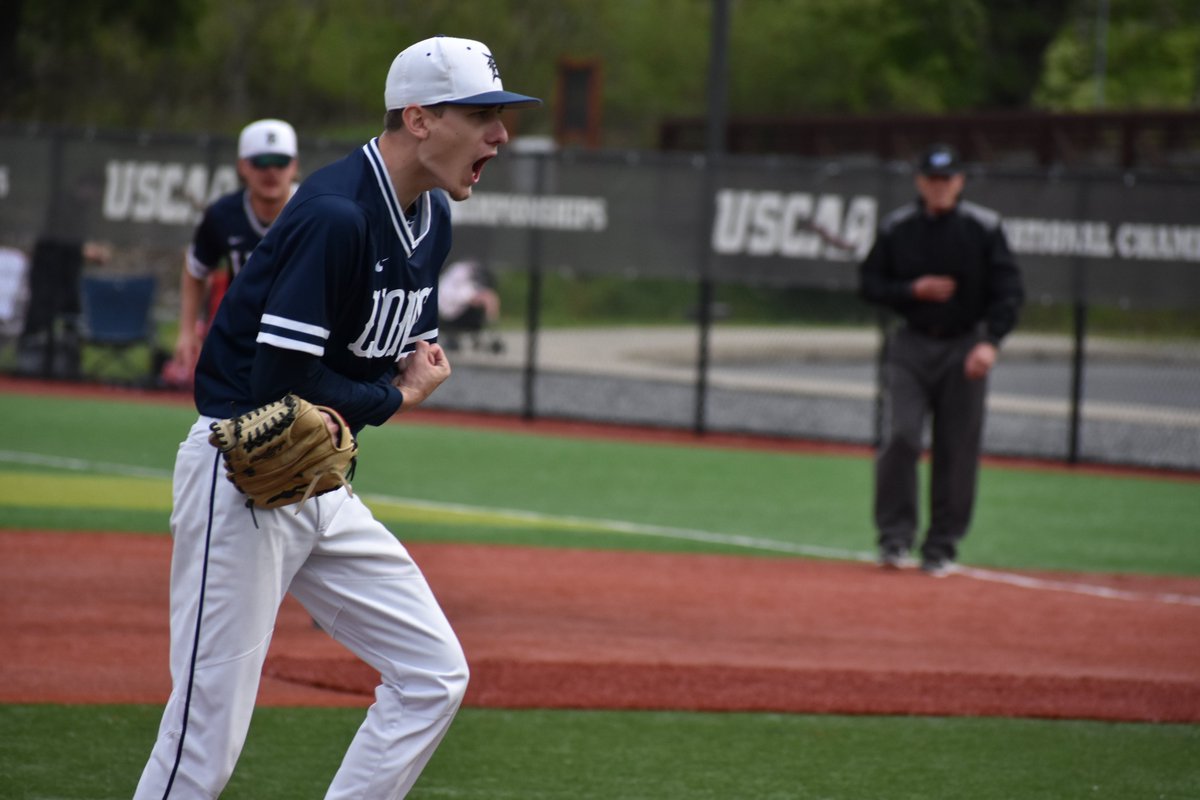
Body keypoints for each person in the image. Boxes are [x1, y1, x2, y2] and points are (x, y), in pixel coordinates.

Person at [134, 35, 540, 798]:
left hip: (319, 476)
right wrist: (398, 397)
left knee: (431, 675)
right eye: (482, 113)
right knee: (202, 745)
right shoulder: (333, 214)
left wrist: (401, 370)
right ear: (419, 119)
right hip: (243, 474)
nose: (500, 134)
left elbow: (379, 348)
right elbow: (276, 389)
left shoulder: (432, 220)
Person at [858, 143, 1024, 577]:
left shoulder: (983, 229)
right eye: (932, 179)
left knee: (957, 447)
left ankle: (941, 546)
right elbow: (870, 283)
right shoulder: (898, 227)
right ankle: (894, 538)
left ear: (960, 182)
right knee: (902, 436)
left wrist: (991, 342)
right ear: (919, 182)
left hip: (964, 346)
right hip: (912, 344)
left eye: (947, 179)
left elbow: (1008, 293)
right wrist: (912, 290)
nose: (939, 187)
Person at [163, 118, 300, 388]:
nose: (271, 171)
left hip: (300, 336)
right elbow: (196, 268)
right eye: (261, 162)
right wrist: (188, 330)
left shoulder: (316, 210)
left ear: (294, 166)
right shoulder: (223, 215)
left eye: (280, 162)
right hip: (242, 336)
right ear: (242, 166)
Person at [437, 258, 502, 351]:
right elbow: (453, 296)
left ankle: (492, 329)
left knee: (488, 297)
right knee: (487, 298)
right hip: (451, 314)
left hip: (459, 311)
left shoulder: (467, 280)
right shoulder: (457, 276)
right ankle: (492, 329)